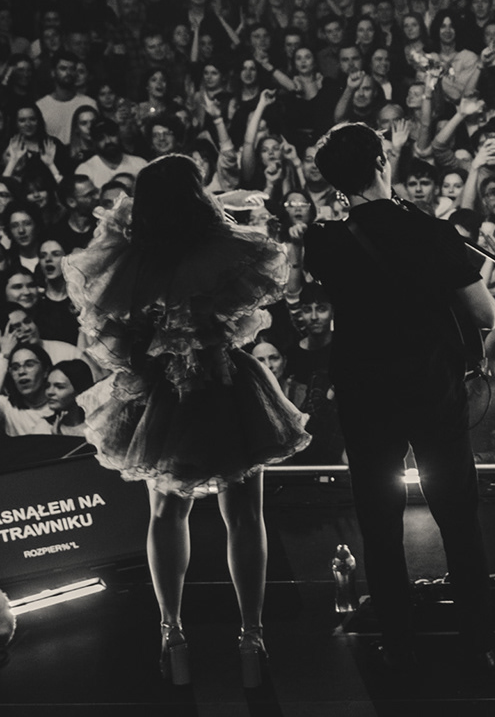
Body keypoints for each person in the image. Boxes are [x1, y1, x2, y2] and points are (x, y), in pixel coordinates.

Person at [61, 155, 310, 686]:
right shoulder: (220, 249)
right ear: (196, 197)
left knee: (166, 513)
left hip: (161, 392)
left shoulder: (130, 258)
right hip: (225, 386)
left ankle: (172, 632)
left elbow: (115, 338)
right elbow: (249, 308)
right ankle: (251, 635)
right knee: (244, 515)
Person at [305, 123, 495, 673]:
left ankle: (398, 642)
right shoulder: (431, 231)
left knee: (380, 523)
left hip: (365, 394)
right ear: (381, 161)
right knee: (457, 519)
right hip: (430, 387)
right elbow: (485, 314)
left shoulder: (324, 241)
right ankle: (478, 642)